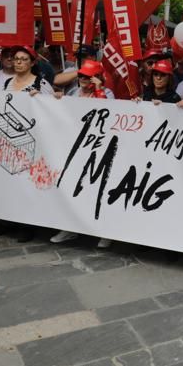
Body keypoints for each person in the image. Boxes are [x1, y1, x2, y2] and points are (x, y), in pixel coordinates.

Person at [0, 45, 53, 243]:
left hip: (31, 141)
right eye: (16, 59)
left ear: (32, 63)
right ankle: (5, 221)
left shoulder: (41, 83)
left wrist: (43, 99)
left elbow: (53, 109)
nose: (19, 62)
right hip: (8, 141)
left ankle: (27, 225)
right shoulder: (7, 82)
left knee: (26, 183)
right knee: (6, 183)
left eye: (23, 59)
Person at [50, 59, 114, 247]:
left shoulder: (107, 93)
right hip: (74, 146)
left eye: (88, 77)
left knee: (97, 188)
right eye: (81, 76)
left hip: (98, 147)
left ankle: (105, 232)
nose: (83, 80)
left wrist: (100, 90)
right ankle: (70, 228)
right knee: (72, 187)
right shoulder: (73, 92)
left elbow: (108, 113)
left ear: (97, 77)